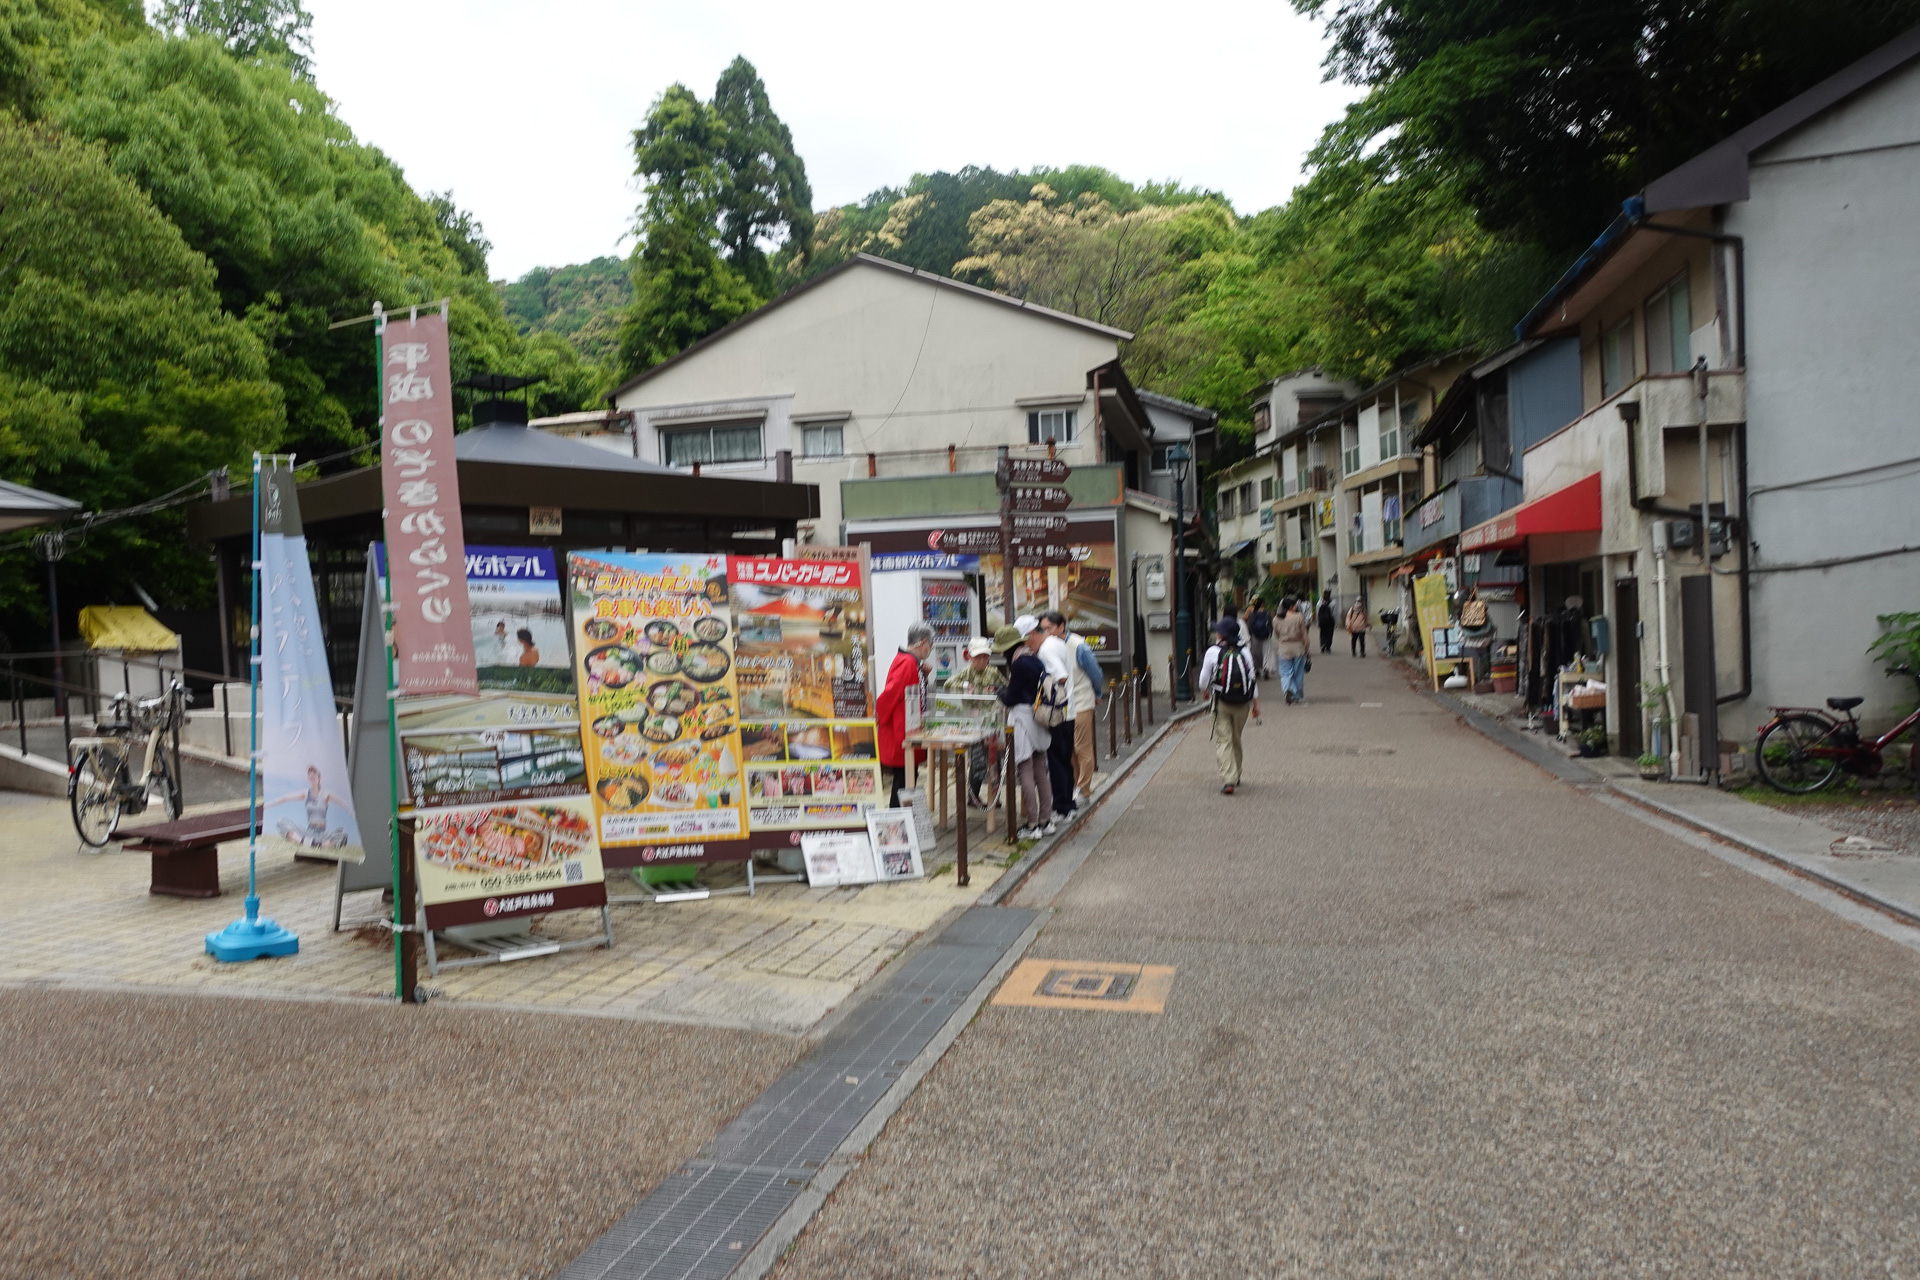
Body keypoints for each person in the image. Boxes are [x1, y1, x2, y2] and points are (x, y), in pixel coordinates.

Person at [995, 623, 1055, 839]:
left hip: (1022, 719)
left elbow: (1012, 697)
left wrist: (1000, 692)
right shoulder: (1035, 659)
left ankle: (1032, 824)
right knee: (1041, 769)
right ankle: (1045, 820)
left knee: (1025, 769)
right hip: (1040, 718)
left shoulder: (1018, 665)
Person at [1042, 610, 1104, 804]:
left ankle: (1084, 788)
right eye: (1043, 629)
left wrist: (1097, 693)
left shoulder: (1078, 645)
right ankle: (1075, 784)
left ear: (1061, 626)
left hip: (1082, 699)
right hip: (1061, 704)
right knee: (1068, 748)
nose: (1047, 632)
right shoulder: (1048, 646)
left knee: (1082, 746)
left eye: (1050, 628)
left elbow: (1096, 672)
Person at [1197, 617, 1260, 794]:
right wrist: (1256, 704)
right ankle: (1237, 773)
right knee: (1236, 737)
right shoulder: (1245, 652)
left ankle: (1228, 779)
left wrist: (1205, 691)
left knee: (1223, 740)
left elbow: (1203, 680)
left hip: (1221, 702)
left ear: (1221, 634)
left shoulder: (1212, 652)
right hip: (1242, 703)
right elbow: (1252, 679)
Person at [1025, 613, 1076, 822]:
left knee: (1055, 760)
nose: (1027, 645)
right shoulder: (1056, 643)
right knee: (1064, 759)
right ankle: (1069, 804)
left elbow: (1061, 675)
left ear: (1032, 635)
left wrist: (1044, 690)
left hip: (1057, 713)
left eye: (1026, 640)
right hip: (1069, 710)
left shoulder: (1045, 651)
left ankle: (1062, 807)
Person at [877, 620, 934, 806]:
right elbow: (890, 695)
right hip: (901, 732)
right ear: (923, 643)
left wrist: (923, 677)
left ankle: (902, 819)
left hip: (905, 730)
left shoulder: (909, 662)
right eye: (930, 645)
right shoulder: (908, 663)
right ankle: (898, 820)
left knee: (906, 778)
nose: (930, 650)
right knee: (903, 780)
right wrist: (879, 718)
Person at [944, 636, 1006, 804]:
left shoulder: (993, 672)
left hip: (992, 723)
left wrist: (996, 689)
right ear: (970, 657)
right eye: (978, 657)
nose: (982, 660)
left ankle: (995, 795)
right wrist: (965, 687)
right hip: (973, 725)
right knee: (978, 760)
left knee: (995, 760)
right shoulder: (965, 673)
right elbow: (948, 685)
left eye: (985, 656)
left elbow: (1006, 687)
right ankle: (973, 796)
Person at [1274, 597, 1311, 704]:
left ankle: (1288, 689)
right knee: (1298, 673)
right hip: (1298, 647)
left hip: (1284, 648)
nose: (1296, 606)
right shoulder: (1298, 617)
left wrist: (1282, 639)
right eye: (1295, 605)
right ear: (1291, 606)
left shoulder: (1277, 618)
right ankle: (1296, 695)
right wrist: (1307, 647)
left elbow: (1276, 634)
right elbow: (1304, 634)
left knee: (1285, 672)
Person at [1245, 599, 1273, 679]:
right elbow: (1270, 624)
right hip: (1266, 635)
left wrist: (1250, 634)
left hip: (1255, 635)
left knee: (1256, 653)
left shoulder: (1252, 614)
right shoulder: (1267, 613)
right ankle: (1266, 669)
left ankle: (1257, 669)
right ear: (1262, 604)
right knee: (1266, 653)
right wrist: (1270, 633)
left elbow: (1250, 625)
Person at [1317, 590, 1336, 654]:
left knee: (1322, 633)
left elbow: (1318, 613)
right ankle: (1328, 646)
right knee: (1329, 634)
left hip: (1322, 621)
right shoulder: (1333, 602)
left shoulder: (1319, 602)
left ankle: (1322, 644)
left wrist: (1318, 622)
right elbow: (1334, 613)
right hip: (1330, 620)